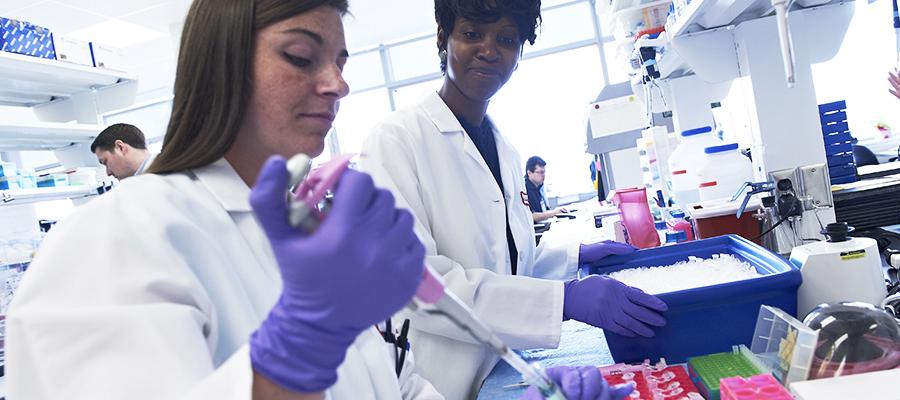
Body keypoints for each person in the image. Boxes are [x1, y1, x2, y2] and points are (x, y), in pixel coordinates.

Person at [7, 1, 441, 399]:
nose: (338, 84)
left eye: (340, 63)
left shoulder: (304, 225)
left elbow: (389, 377)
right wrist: (304, 339)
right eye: (301, 57)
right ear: (219, 67)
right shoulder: (112, 239)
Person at [359, 0, 669, 398]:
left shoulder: (502, 148)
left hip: (500, 373)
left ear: (519, 53)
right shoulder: (395, 140)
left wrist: (574, 257)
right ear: (443, 37)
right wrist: (564, 300)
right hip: (437, 383)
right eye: (472, 33)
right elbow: (414, 285)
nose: (489, 50)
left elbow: (503, 261)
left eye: (506, 39)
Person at [90, 123, 156, 179]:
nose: (108, 173)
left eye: (105, 162)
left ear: (120, 147)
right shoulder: (147, 177)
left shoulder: (156, 177)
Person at [524, 155, 567, 223]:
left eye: (544, 172)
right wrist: (553, 213)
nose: (543, 175)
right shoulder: (525, 189)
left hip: (544, 223)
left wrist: (554, 212)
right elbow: (531, 216)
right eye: (540, 172)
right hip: (536, 228)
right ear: (529, 173)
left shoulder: (540, 187)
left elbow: (544, 210)